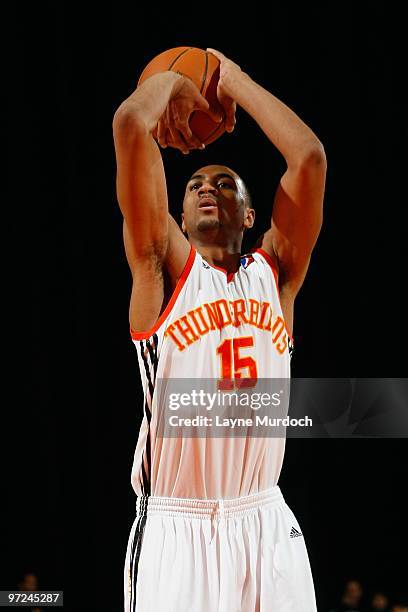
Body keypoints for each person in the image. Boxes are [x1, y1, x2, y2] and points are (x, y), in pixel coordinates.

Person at [113, 48, 326, 611]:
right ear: (177, 217)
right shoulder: (163, 273)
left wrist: (231, 78)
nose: (208, 187)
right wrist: (172, 82)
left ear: (252, 217)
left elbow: (308, 157)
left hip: (264, 518)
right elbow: (130, 125)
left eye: (227, 183)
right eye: (194, 184)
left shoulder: (274, 278)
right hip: (178, 530)